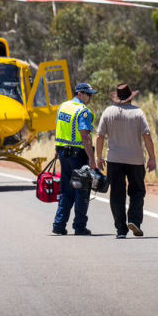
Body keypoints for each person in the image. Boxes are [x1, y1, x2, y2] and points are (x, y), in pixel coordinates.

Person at [95, 84, 156, 239]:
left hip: (114, 160)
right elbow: (147, 135)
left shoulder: (108, 112)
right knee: (137, 191)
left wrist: (98, 157)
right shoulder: (138, 113)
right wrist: (152, 157)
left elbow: (99, 136)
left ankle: (121, 229)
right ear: (130, 97)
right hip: (135, 159)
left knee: (116, 194)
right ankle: (134, 220)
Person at [52, 82, 98, 236]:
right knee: (82, 191)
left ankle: (59, 225)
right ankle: (79, 226)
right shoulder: (83, 111)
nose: (90, 97)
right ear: (79, 93)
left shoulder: (63, 107)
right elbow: (85, 136)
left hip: (63, 154)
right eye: (88, 94)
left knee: (66, 189)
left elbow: (58, 129)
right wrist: (92, 158)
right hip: (78, 156)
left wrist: (56, 149)